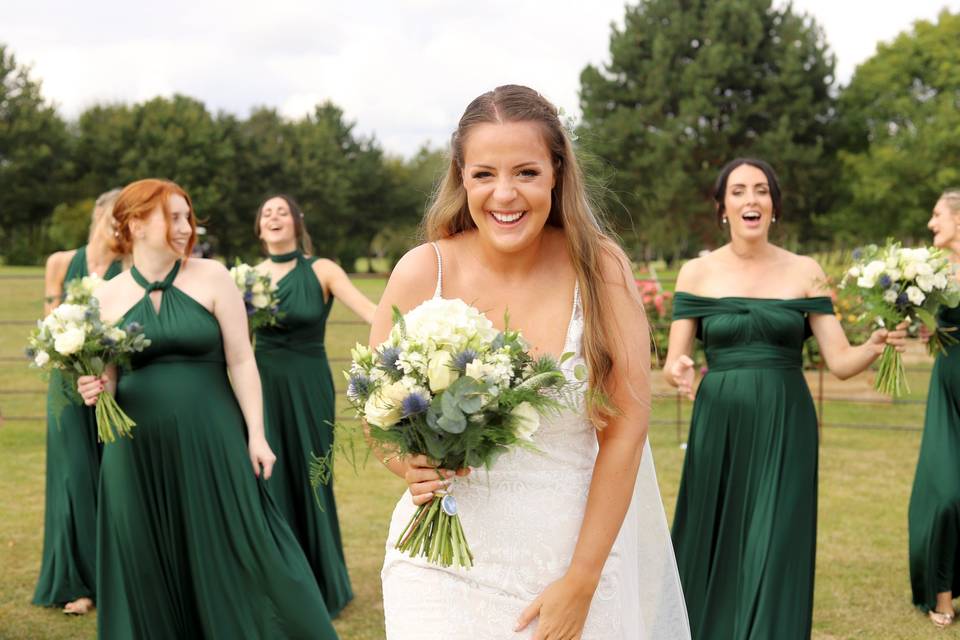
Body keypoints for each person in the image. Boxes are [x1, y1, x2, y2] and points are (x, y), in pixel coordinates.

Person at [374, 85, 689, 639]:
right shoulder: (423, 271)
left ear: (557, 174)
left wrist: (582, 580)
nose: (504, 194)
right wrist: (410, 467)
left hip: (568, 564)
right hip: (438, 568)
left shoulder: (601, 270)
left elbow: (626, 430)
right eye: (484, 174)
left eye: (525, 172)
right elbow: (376, 412)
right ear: (461, 177)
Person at [77, 178, 337, 639]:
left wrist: (257, 435)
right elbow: (111, 381)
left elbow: (241, 360)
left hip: (212, 441)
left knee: (247, 550)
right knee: (145, 558)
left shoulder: (212, 277)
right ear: (136, 223)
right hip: (136, 450)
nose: (185, 226)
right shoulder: (105, 296)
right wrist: (94, 388)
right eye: (172, 217)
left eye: (187, 216)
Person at [664, 158, 908, 639]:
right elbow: (676, 359)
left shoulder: (806, 271)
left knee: (776, 542)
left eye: (761, 190)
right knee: (716, 537)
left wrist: (874, 348)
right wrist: (680, 369)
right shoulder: (696, 273)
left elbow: (838, 361)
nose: (750, 199)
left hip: (786, 422)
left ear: (774, 206)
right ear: (723, 207)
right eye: (738, 191)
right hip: (720, 422)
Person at [253, 193, 376, 616]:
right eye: (266, 213)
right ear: (259, 226)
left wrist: (417, 330)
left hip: (308, 385)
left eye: (281, 211)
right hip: (260, 386)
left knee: (311, 478)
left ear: (296, 222)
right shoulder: (247, 277)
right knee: (267, 481)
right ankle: (277, 588)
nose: (273, 217)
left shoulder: (321, 270)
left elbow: (369, 311)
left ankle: (323, 586)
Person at [34, 189, 124, 616]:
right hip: (67, 384)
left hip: (112, 382)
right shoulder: (59, 262)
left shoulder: (130, 268)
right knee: (74, 480)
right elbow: (49, 323)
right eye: (115, 217)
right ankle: (78, 582)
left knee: (112, 476)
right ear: (99, 214)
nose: (120, 227)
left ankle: (115, 576)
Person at [909, 188, 960, 628]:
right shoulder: (931, 271)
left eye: (937, 214)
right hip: (948, 391)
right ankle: (940, 593)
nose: (931, 223)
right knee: (945, 494)